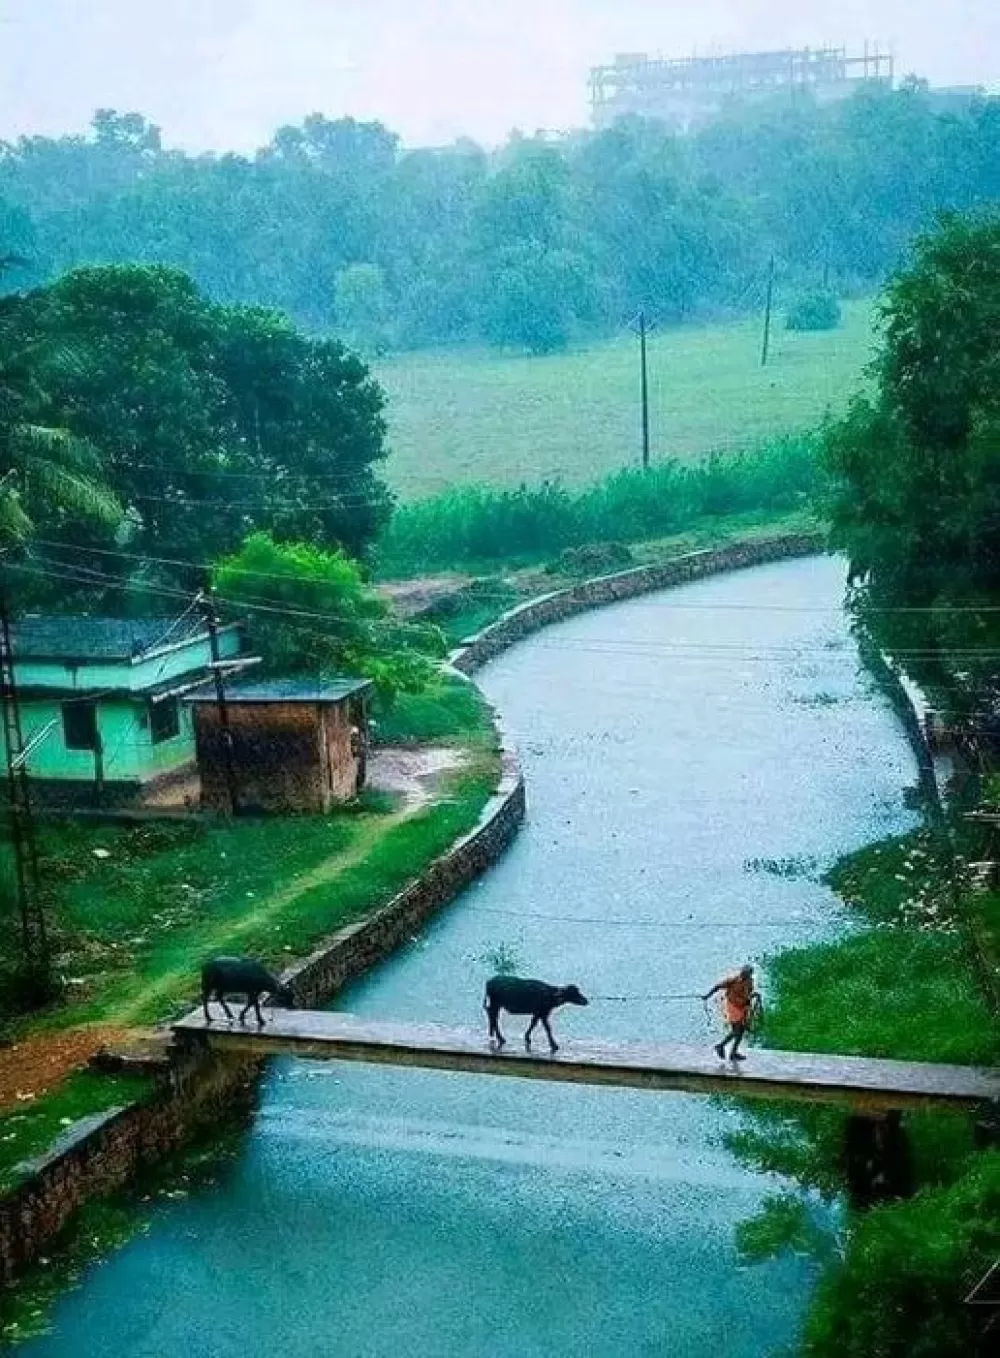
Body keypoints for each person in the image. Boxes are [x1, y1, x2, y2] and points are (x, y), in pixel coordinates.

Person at [702, 965, 761, 1062]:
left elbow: (747, 994)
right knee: (737, 1031)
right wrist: (707, 995)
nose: (744, 975)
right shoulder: (733, 980)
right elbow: (717, 986)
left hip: (743, 1007)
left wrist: (754, 995)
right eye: (743, 973)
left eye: (747, 974)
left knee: (741, 1032)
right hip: (733, 1006)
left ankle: (733, 1053)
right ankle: (720, 1046)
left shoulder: (750, 981)